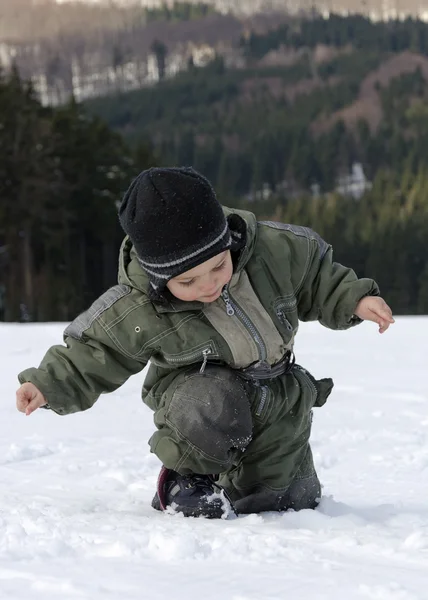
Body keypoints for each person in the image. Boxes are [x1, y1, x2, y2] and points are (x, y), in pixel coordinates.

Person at [16, 167, 394, 519]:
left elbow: (318, 277)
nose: (209, 285)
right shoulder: (141, 307)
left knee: (287, 499)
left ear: (227, 240)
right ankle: (184, 481)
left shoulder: (274, 251)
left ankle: (251, 498)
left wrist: (355, 299)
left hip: (275, 389)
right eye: (188, 282)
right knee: (211, 400)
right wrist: (49, 384)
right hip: (197, 393)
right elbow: (97, 349)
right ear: (160, 278)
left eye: (218, 266)